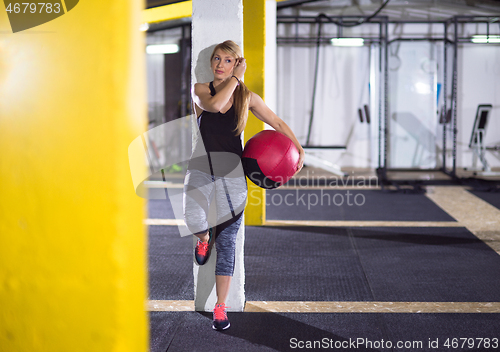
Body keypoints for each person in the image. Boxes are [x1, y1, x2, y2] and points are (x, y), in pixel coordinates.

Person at [183, 40, 304, 331]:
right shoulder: (201, 90)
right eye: (217, 59)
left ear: (236, 62)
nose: (220, 65)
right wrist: (237, 77)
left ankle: (221, 306)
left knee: (228, 243)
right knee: (193, 218)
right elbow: (215, 105)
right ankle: (203, 238)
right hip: (202, 167)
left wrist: (299, 150)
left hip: (233, 175)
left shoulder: (247, 97)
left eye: (227, 60)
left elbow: (275, 121)